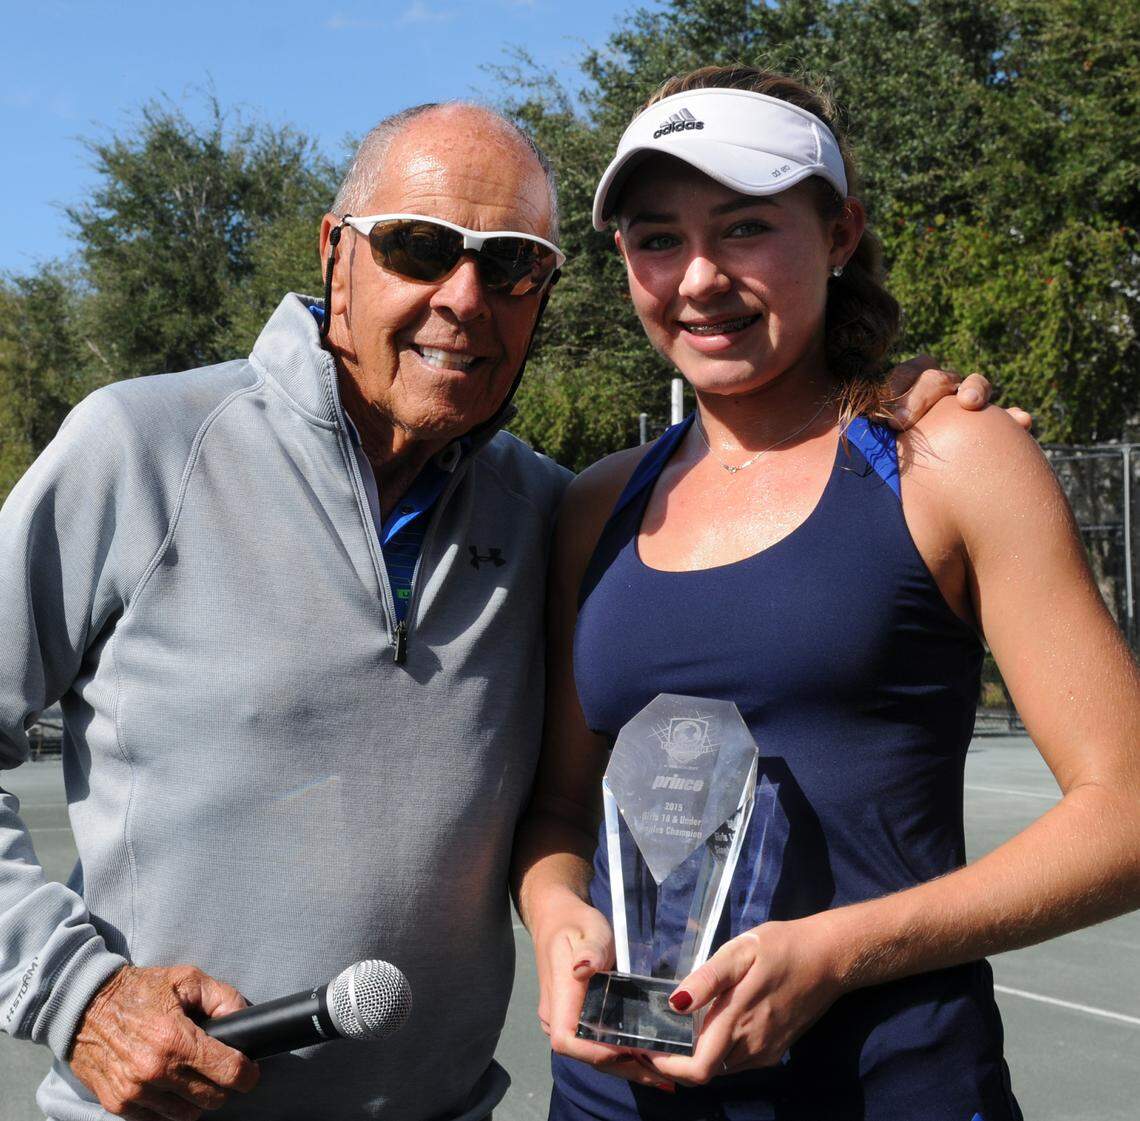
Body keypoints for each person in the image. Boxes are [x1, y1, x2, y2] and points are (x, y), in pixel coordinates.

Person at [0, 98, 1008, 1121]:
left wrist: (918, 415)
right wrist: (78, 992)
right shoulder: (140, 448)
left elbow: (571, 800)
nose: (466, 297)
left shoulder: (555, 512)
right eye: (420, 247)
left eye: (515, 264)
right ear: (333, 254)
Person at [512, 67, 1140, 1121]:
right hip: (610, 1101)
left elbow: (1125, 810)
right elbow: (560, 809)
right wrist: (557, 914)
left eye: (746, 228)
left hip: (895, 1091)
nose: (699, 277)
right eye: (657, 239)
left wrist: (839, 952)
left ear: (840, 233)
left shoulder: (949, 460)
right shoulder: (595, 507)